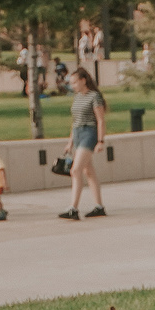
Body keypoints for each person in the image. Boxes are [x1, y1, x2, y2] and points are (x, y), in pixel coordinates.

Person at [58, 64, 108, 220]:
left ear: (83, 80)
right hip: (78, 133)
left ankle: (73, 208)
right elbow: (75, 122)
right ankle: (99, 206)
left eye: (74, 82)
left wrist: (100, 140)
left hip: (89, 132)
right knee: (88, 172)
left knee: (75, 170)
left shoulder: (94, 96)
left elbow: (100, 120)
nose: (72, 86)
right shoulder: (77, 97)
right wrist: (70, 142)